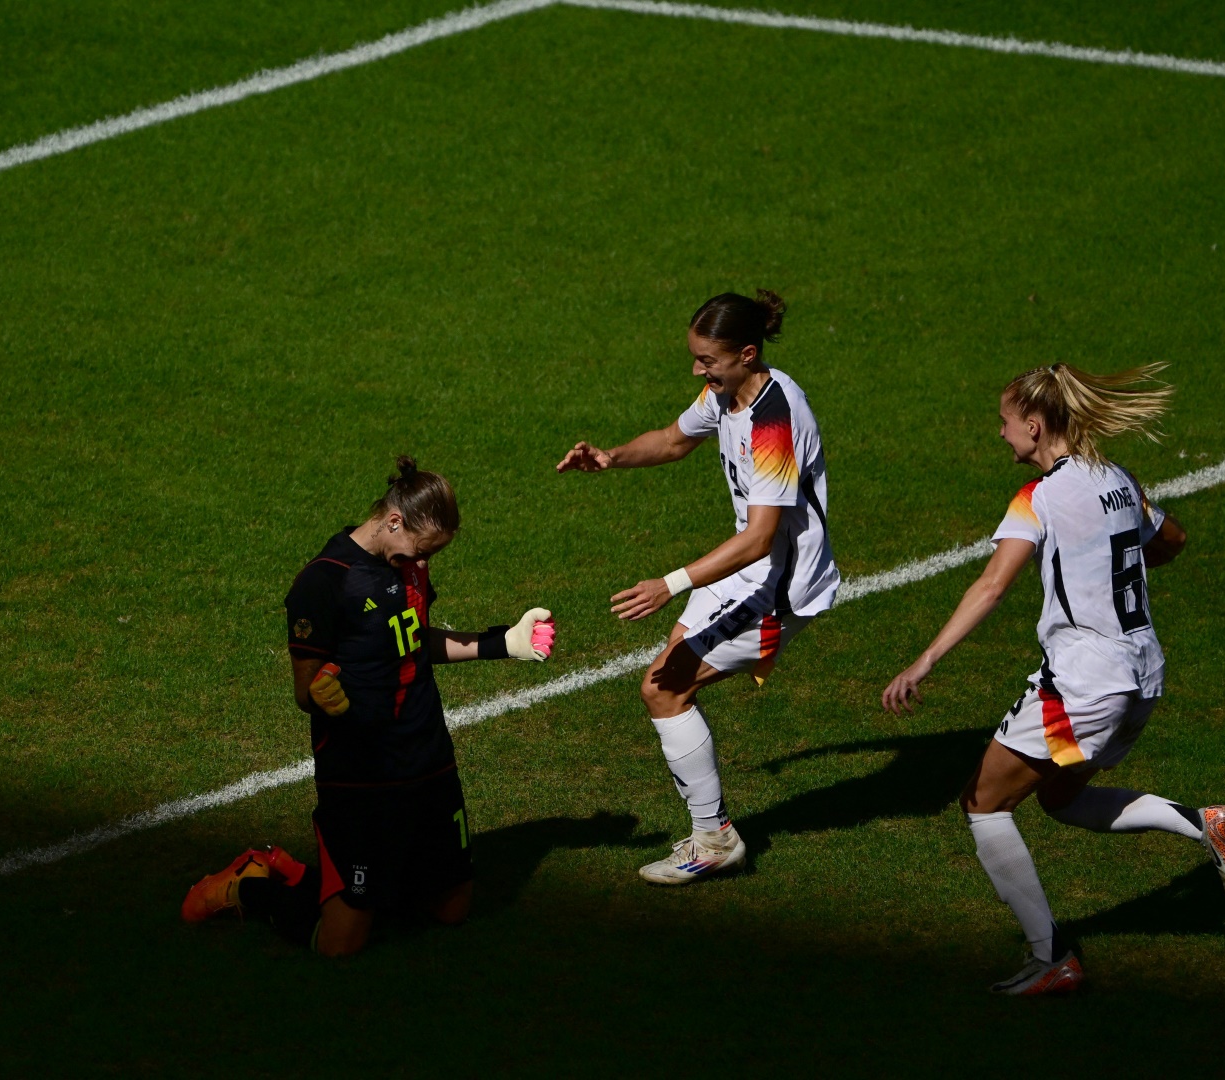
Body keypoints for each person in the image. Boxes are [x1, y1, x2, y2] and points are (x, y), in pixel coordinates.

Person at [881, 363, 1225, 995]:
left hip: (1082, 684)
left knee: (983, 801)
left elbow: (993, 585)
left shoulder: (1039, 496)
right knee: (1061, 798)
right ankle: (1201, 821)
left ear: (1034, 424)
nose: (1000, 436)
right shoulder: (1118, 480)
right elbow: (1173, 540)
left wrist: (926, 659)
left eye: (1004, 423)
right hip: (1142, 677)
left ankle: (1051, 958)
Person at [181, 456, 556, 956]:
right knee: (340, 944)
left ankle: (365, 883)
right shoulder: (324, 582)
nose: (421, 565)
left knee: (452, 909)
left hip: (427, 754)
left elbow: (411, 642)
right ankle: (251, 881)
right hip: (361, 771)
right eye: (417, 553)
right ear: (393, 521)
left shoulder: (411, 567)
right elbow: (305, 690)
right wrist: (323, 697)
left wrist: (501, 643)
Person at [556, 291, 839, 884]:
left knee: (663, 688)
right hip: (745, 571)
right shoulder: (725, 391)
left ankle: (714, 840)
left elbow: (762, 537)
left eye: (707, 359)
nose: (696, 370)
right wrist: (613, 457)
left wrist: (670, 582)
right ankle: (713, 835)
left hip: (776, 586)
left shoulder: (773, 423)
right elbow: (673, 439)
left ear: (747, 353)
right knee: (665, 685)